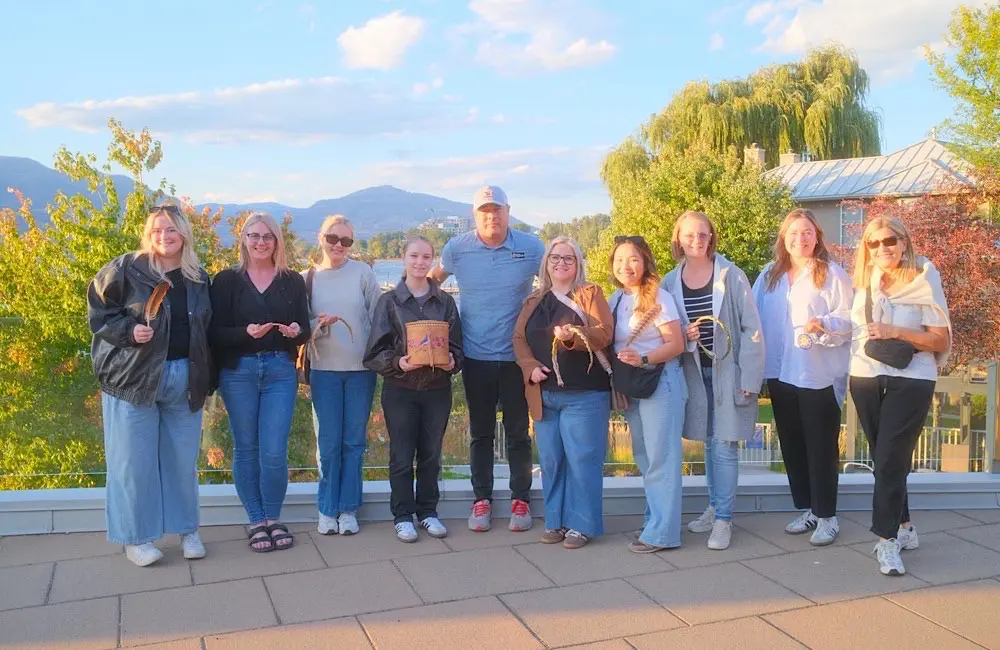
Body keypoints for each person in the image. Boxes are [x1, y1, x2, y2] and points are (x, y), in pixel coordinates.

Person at [87, 204, 213, 567]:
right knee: (133, 464)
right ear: (148, 233)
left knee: (181, 462)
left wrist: (206, 379)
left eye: (171, 229)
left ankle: (187, 530)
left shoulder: (198, 277)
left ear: (184, 233)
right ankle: (136, 538)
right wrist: (128, 331)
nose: (164, 236)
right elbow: (99, 311)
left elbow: (206, 332)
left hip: (183, 380)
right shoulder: (127, 269)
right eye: (157, 229)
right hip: (133, 380)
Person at [429, 185, 545, 532]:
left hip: (516, 359)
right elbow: (432, 283)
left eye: (497, 210)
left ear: (508, 211)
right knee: (479, 434)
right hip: (475, 359)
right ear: (474, 215)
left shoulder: (531, 247)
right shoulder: (456, 250)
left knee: (518, 436)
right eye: (484, 211)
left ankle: (520, 500)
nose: (491, 216)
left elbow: (557, 280)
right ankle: (481, 500)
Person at [848, 216, 951, 576]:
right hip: (865, 374)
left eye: (889, 241)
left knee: (890, 458)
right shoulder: (865, 282)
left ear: (904, 242)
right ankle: (905, 527)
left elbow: (939, 340)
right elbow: (854, 328)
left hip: (912, 378)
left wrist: (896, 330)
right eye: (873, 244)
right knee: (885, 458)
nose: (882, 249)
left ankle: (886, 540)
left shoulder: (924, 278)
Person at [663, 211, 765, 551]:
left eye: (703, 234)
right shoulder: (669, 282)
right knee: (708, 442)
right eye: (690, 235)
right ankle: (713, 506)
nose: (697, 240)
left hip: (728, 373)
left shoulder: (731, 276)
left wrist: (750, 376)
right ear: (678, 238)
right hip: (695, 374)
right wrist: (683, 333)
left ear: (712, 237)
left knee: (724, 447)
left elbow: (752, 328)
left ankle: (724, 519)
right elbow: (664, 332)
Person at [210, 213, 310, 553]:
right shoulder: (225, 281)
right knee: (246, 448)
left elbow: (305, 328)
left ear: (277, 241)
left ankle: (273, 517)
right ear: (243, 240)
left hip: (281, 371)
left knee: (273, 450)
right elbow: (214, 333)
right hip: (239, 372)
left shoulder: (292, 281)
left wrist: (297, 332)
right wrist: (244, 333)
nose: (260, 242)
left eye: (267, 236)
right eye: (253, 235)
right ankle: (256, 520)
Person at [752, 208, 852, 546]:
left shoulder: (831, 273)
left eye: (807, 232)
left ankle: (828, 516)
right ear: (784, 238)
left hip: (816, 374)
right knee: (793, 445)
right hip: (780, 373)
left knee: (821, 446)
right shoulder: (769, 276)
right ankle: (808, 508)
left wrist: (825, 324)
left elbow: (848, 318)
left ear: (817, 237)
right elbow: (753, 320)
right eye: (794, 233)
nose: (801, 238)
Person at [513, 237, 613, 549]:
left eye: (568, 258)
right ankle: (556, 522)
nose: (561, 263)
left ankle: (582, 526)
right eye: (555, 258)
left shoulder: (590, 294)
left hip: (584, 394)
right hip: (544, 395)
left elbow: (604, 333)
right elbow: (518, 338)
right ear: (546, 263)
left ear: (578, 263)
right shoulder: (533, 301)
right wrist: (529, 366)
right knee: (552, 461)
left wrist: (574, 336)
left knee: (583, 460)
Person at [364, 236, 464, 542]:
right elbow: (373, 353)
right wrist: (399, 362)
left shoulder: (445, 302)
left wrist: (452, 361)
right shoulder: (389, 302)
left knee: (432, 454)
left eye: (426, 257)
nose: (420, 263)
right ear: (403, 258)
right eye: (414, 256)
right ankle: (403, 515)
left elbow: (459, 347)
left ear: (432, 260)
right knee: (402, 454)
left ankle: (428, 512)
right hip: (400, 388)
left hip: (437, 389)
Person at [609, 236, 687, 554]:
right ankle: (655, 521)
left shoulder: (659, 298)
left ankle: (663, 533)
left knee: (662, 459)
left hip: (660, 383)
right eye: (620, 260)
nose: (626, 266)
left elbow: (676, 344)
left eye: (633, 259)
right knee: (644, 457)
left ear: (645, 263)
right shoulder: (615, 298)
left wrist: (643, 359)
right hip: (635, 387)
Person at [304, 215, 380, 536]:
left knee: (354, 442)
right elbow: (299, 326)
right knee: (328, 443)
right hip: (324, 372)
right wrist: (318, 326)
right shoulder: (306, 278)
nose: (338, 246)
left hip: (361, 371)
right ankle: (327, 508)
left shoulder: (363, 273)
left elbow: (379, 320)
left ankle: (348, 509)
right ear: (320, 238)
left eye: (346, 241)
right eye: (333, 238)